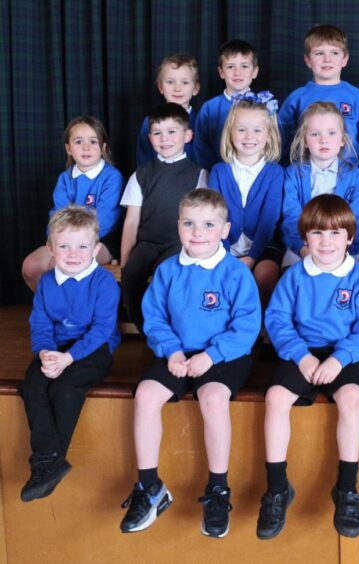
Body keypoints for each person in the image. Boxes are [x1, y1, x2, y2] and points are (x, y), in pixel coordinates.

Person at [119, 189, 260, 537]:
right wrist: (172, 351)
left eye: (208, 224)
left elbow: (247, 326)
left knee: (212, 398)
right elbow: (153, 318)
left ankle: (217, 489)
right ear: (178, 227)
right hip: (178, 354)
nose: (198, 232)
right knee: (147, 395)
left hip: (223, 356)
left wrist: (210, 356)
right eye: (190, 224)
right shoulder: (168, 270)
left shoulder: (235, 273)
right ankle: (150, 488)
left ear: (224, 230)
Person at [260, 195, 359, 540]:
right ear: (304, 239)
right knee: (275, 399)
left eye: (335, 234)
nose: (326, 242)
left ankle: (347, 490)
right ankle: (277, 489)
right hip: (302, 352)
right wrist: (302, 356)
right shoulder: (295, 276)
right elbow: (279, 320)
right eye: (317, 234)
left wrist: (338, 359)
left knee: (352, 399)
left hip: (344, 353)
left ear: (350, 238)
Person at [20, 206, 120, 502]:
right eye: (64, 246)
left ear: (96, 249)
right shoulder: (47, 282)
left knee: (64, 388)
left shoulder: (103, 283)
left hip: (92, 350)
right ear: (51, 249)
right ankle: (49, 460)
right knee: (33, 385)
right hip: (55, 349)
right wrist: (45, 354)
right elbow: (40, 323)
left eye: (82, 246)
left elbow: (102, 329)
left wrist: (68, 359)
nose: (73, 254)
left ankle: (47, 459)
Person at [120, 103, 208, 330]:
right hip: (148, 243)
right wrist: (125, 258)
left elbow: (202, 218)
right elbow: (131, 222)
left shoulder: (199, 174)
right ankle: (143, 326)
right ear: (150, 138)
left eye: (172, 132)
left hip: (177, 243)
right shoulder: (141, 174)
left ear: (187, 136)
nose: (164, 138)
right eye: (157, 133)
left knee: (164, 274)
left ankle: (167, 327)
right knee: (131, 272)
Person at [22, 116, 123, 291]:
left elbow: (105, 220)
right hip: (64, 239)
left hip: (102, 240)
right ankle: (55, 311)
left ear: (103, 147)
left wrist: (71, 247)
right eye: (78, 142)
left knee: (66, 265)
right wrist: (58, 245)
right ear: (69, 149)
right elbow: (57, 217)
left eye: (93, 141)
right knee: (31, 267)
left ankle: (76, 314)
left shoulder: (112, 177)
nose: (86, 147)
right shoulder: (65, 179)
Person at [208, 91, 283, 307]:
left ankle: (260, 330)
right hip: (223, 245)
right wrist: (224, 253)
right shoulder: (219, 171)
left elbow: (269, 219)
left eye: (257, 130)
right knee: (221, 277)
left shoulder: (275, 173)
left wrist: (251, 258)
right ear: (230, 133)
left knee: (265, 275)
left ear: (269, 134)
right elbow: (215, 216)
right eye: (241, 130)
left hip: (264, 245)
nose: (249, 137)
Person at [280, 101, 359, 266]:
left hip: (344, 250)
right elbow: (290, 217)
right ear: (305, 141)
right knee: (292, 278)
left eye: (331, 133)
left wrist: (340, 253)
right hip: (303, 247)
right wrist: (304, 249)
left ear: (342, 139)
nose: (324, 140)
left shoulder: (355, 176)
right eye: (315, 134)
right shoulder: (293, 174)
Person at [278, 24, 359, 171]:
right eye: (319, 53)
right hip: (306, 173)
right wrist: (289, 171)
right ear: (307, 60)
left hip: (349, 174)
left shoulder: (357, 97)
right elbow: (282, 141)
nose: (327, 59)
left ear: (345, 59)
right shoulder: (297, 98)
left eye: (335, 53)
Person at [193, 40, 260, 170]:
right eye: (230, 67)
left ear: (255, 71)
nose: (237, 72)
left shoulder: (265, 106)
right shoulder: (209, 108)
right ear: (221, 72)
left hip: (257, 173)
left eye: (244, 66)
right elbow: (201, 147)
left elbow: (273, 142)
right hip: (218, 175)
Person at [136, 54, 201, 167]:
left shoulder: (202, 123)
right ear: (161, 87)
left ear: (195, 88)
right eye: (170, 82)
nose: (177, 88)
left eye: (185, 82)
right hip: (158, 181)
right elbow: (143, 161)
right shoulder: (149, 122)